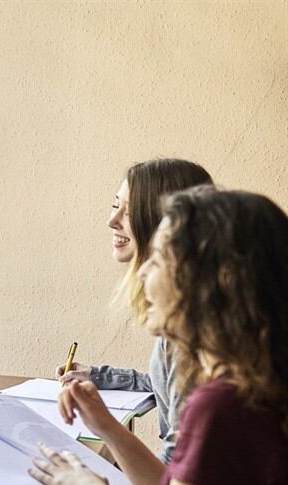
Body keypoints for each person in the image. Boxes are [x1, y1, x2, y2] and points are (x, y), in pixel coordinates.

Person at [31, 188, 288, 485]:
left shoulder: (224, 407)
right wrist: (108, 428)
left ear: (214, 281)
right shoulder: (257, 387)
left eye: (160, 258)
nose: (141, 273)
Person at [56, 158, 212, 462]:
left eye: (127, 211)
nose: (112, 221)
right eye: (115, 206)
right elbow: (168, 386)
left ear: (165, 221)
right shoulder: (187, 313)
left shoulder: (188, 331)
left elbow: (177, 472)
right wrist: (99, 376)